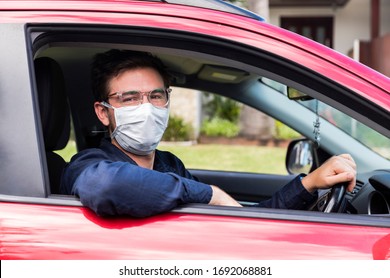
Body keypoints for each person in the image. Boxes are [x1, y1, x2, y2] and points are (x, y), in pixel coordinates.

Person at [60, 49, 356, 218]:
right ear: (103, 112)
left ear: (167, 101)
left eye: (156, 96)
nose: (146, 108)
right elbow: (107, 187)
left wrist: (310, 183)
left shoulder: (168, 165)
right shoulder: (89, 163)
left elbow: (239, 217)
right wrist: (210, 193)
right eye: (130, 98)